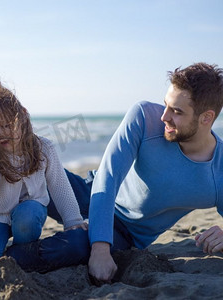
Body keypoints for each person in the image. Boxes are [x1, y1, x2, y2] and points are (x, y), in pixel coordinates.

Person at [64, 62, 223, 284]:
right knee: (31, 169)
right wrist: (100, 247)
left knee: (64, 249)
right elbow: (107, 179)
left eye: (176, 111)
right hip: (91, 190)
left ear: (206, 118)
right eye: (166, 105)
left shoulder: (220, 168)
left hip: (125, 232)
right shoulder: (145, 116)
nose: (164, 117)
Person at [0, 80, 87, 263]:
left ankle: (22, 249)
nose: (1, 134)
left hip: (30, 212)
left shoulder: (44, 148)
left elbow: (60, 186)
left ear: (22, 116)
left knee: (27, 216)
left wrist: (73, 220)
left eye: (6, 125)